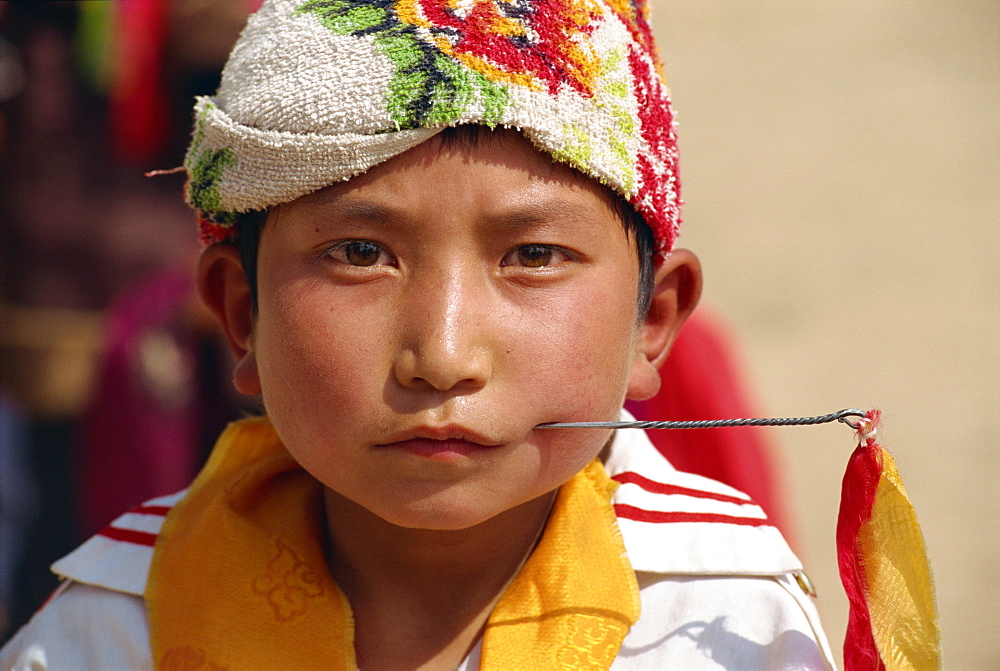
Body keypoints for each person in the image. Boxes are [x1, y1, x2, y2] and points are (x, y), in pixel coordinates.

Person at [1, 1, 835, 668]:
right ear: (241, 312)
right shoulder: (109, 630)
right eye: (360, 253)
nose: (442, 356)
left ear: (653, 322)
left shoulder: (732, 626)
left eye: (533, 255)